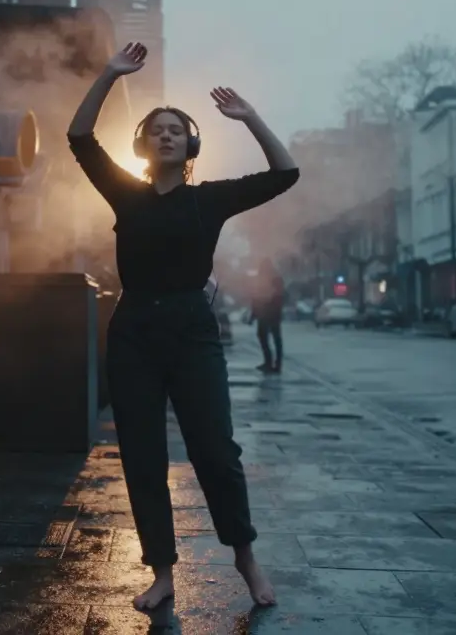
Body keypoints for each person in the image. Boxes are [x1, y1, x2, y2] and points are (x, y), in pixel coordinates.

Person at [67, 42, 298, 611]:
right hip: (135, 331)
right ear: (143, 144)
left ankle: (245, 557)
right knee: (142, 454)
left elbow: (285, 174)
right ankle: (163, 571)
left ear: (191, 143)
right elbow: (79, 138)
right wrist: (109, 76)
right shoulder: (126, 192)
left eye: (176, 129)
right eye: (157, 129)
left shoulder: (210, 200)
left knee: (216, 450)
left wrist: (249, 118)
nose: (166, 135)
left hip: (193, 330)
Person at [253, 258, 285, 373]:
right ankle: (270, 362)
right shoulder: (263, 279)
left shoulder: (275, 278)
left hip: (271, 313)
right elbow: (256, 296)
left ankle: (274, 364)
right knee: (267, 337)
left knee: (274, 338)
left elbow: (279, 296)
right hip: (266, 313)